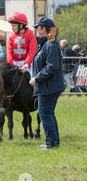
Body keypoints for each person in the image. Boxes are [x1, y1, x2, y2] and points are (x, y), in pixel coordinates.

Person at [29, 18, 65, 150]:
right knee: (49, 114)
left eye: (37, 28)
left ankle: (51, 143)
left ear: (43, 29)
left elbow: (51, 67)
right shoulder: (48, 44)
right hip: (49, 86)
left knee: (45, 114)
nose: (36, 30)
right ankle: (54, 142)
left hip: (48, 87)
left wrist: (36, 78)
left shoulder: (50, 45)